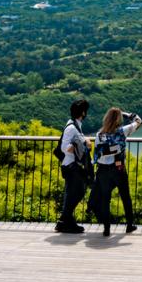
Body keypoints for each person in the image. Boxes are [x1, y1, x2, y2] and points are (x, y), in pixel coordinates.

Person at [89, 105, 142, 236]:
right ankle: (129, 225)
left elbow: (97, 154)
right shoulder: (122, 131)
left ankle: (106, 229)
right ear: (119, 119)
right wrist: (125, 113)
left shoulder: (99, 135)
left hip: (103, 171)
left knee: (105, 199)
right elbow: (138, 121)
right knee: (125, 197)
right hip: (118, 169)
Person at [54, 98, 93, 233]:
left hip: (72, 165)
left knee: (73, 193)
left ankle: (65, 221)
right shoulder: (71, 127)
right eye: (85, 110)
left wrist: (83, 140)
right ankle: (65, 220)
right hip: (71, 166)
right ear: (82, 112)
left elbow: (77, 139)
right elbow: (66, 147)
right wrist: (82, 143)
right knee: (77, 192)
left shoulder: (75, 125)